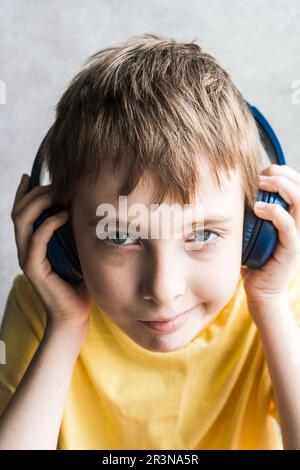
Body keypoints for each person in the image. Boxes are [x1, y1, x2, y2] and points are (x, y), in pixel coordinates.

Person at [1, 33, 300, 450]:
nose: (163, 290)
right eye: (121, 235)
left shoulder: (280, 295)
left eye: (202, 234)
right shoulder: (41, 307)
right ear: (63, 239)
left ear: (256, 232)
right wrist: (66, 327)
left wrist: (270, 306)